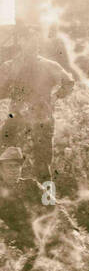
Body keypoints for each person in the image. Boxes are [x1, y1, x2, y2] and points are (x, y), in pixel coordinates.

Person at [0, 48, 74, 178]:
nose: (30, 45)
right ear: (20, 41)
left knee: (43, 162)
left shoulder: (50, 65)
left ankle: (46, 197)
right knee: (7, 155)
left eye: (33, 41)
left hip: (42, 120)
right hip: (17, 118)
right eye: (26, 39)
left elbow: (68, 83)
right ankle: (10, 194)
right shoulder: (10, 65)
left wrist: (56, 96)